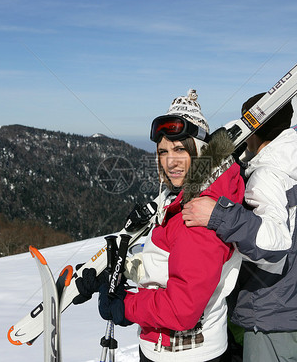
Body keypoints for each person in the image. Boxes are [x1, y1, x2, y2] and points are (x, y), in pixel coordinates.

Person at [181, 92, 297, 362]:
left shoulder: (265, 176)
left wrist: (219, 216)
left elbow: (272, 244)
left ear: (252, 130)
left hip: (275, 315)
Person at [96, 89, 246, 362]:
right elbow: (169, 264)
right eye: (163, 151)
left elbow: (182, 309)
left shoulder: (197, 214)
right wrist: (126, 271)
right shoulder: (184, 198)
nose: (170, 161)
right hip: (179, 347)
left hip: (185, 353)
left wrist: (125, 306)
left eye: (180, 149)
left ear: (200, 151)